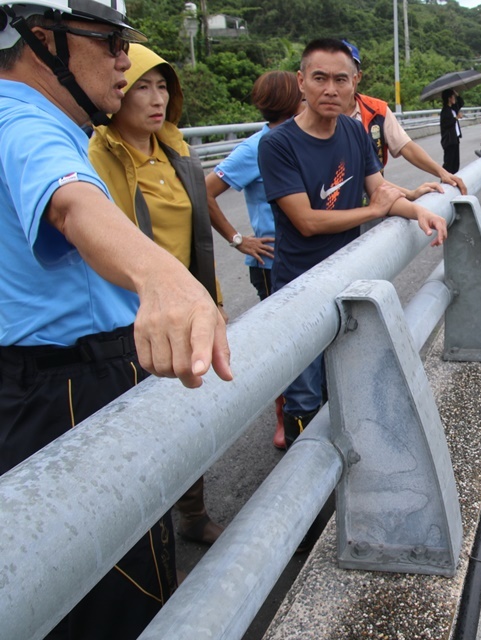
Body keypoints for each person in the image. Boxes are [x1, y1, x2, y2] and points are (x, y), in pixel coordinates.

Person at [0, 0, 231, 637]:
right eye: (107, 40)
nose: (124, 58)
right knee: (107, 586)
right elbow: (72, 203)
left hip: (63, 374)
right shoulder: (22, 120)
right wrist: (161, 277)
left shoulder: (51, 122)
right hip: (67, 384)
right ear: (43, 39)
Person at [259, 38, 447, 447]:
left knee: (346, 378)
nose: (331, 89)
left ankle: (346, 469)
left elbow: (378, 190)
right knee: (304, 393)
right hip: (300, 287)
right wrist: (373, 212)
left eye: (340, 79)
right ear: (301, 82)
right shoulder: (278, 144)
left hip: (349, 280)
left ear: (355, 82)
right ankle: (306, 494)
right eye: (320, 78)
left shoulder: (352, 130)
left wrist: (418, 211)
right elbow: (307, 222)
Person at [87, 43, 225, 546]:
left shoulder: (175, 151)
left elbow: (197, 238)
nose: (155, 98)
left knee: (187, 411)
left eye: (162, 86)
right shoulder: (97, 154)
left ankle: (190, 511)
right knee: (133, 424)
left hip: (182, 304)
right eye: (141, 86)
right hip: (124, 308)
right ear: (116, 95)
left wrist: (212, 297)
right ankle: (135, 529)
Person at [205, 70, 301, 450]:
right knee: (282, 343)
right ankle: (283, 416)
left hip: (306, 257)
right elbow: (205, 191)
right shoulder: (256, 146)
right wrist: (238, 239)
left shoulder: (304, 138)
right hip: (270, 262)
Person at [340, 40, 466, 195]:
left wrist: (442, 173)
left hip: (376, 201)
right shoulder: (316, 117)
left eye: (344, 74)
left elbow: (406, 147)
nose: (336, 83)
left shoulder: (377, 110)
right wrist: (409, 195)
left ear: (357, 77)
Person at [439, 87, 463, 174]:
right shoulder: (445, 111)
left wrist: (457, 94)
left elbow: (461, 103)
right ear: (449, 98)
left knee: (456, 163)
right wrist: (456, 118)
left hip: (455, 139)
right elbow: (446, 124)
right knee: (448, 164)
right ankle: (444, 182)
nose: (454, 98)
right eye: (453, 96)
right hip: (449, 141)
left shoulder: (453, 108)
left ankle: (453, 180)